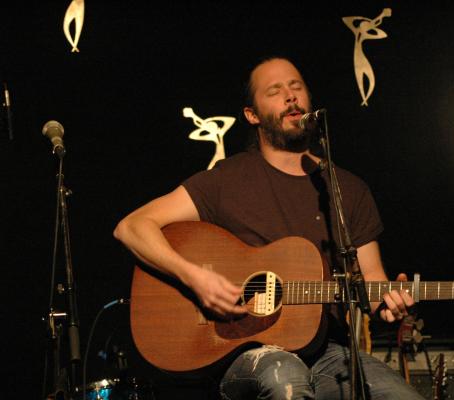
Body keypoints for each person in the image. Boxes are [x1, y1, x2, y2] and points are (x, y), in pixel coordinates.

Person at [114, 56, 424, 400]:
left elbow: (371, 279)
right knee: (286, 378)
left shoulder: (347, 189)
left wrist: (388, 303)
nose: (290, 96)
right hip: (242, 352)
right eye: (275, 91)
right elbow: (132, 227)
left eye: (296, 87)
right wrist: (195, 278)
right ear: (252, 115)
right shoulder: (225, 181)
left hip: (328, 352)